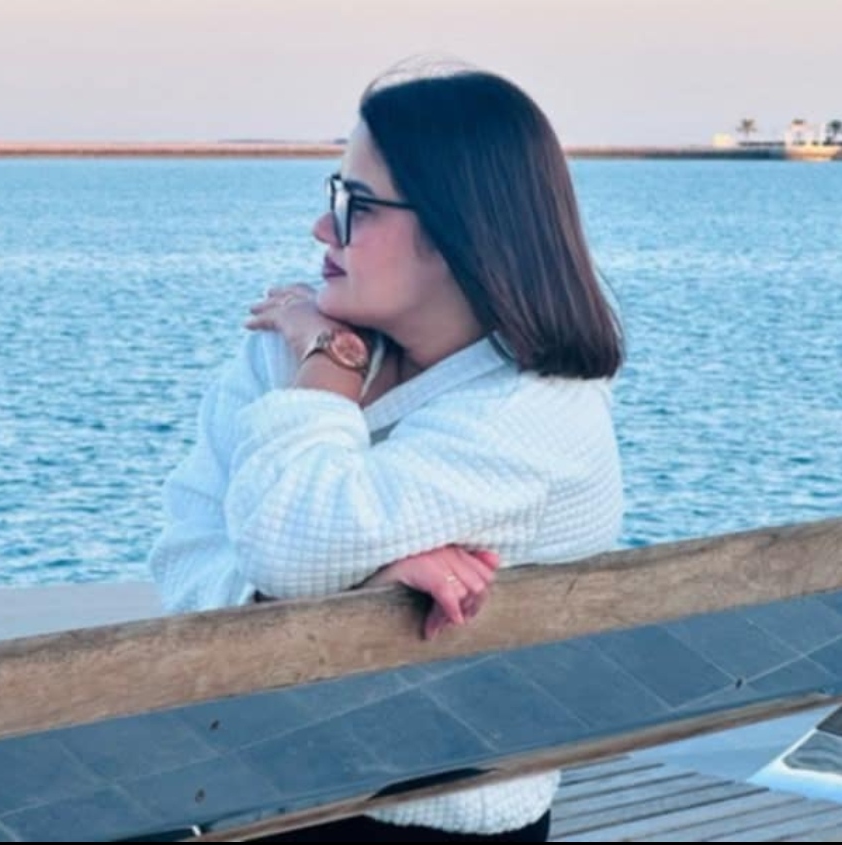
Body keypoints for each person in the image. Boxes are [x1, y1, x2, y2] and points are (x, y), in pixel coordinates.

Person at [148, 58, 624, 843]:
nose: (322, 228)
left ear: (460, 228)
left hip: (426, 825)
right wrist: (358, 594)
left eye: (358, 205)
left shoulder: (536, 415)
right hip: (248, 800)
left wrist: (328, 365)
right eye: (333, 193)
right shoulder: (281, 347)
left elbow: (285, 538)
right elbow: (183, 555)